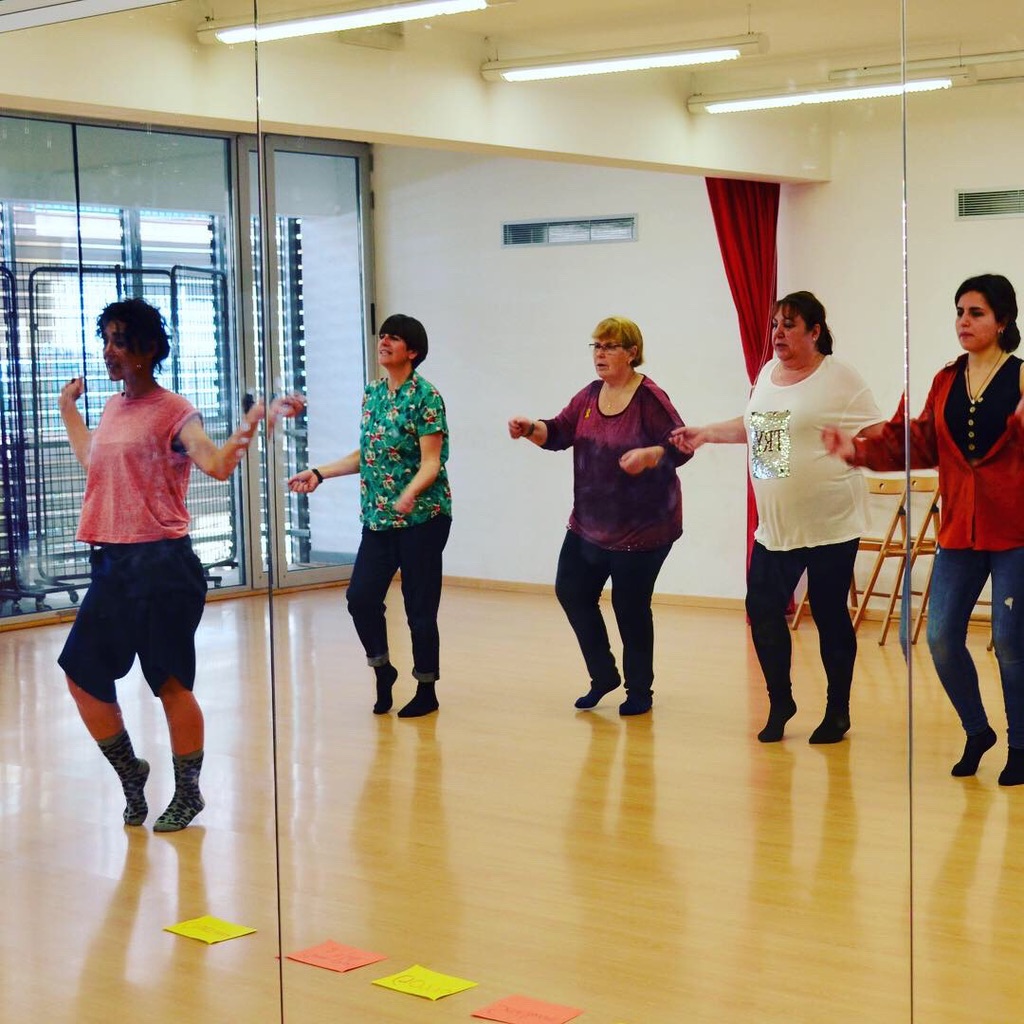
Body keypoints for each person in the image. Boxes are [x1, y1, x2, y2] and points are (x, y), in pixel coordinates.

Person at [57, 297, 303, 831]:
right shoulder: (113, 407)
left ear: (148, 349)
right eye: (106, 340)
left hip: (163, 565)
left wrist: (251, 422)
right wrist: (67, 408)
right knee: (81, 675)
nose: (109, 351)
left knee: (169, 681)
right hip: (113, 564)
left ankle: (189, 792)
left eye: (119, 340)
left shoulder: (175, 411)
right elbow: (92, 461)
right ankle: (131, 774)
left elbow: (217, 465)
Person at [824, 273, 1024, 784]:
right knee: (939, 638)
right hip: (959, 530)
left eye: (976, 313)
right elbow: (915, 442)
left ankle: (1021, 745)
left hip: (1014, 531)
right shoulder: (945, 380)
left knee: (1009, 642)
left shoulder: (1021, 378)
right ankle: (977, 730)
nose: (964, 321)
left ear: (1003, 320)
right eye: (959, 312)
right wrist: (857, 450)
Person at [671, 291, 883, 744]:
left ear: (814, 331)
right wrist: (706, 433)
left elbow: (876, 432)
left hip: (830, 523)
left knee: (828, 613)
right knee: (762, 609)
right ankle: (780, 701)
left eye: (789, 325)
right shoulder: (767, 373)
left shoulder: (839, 377)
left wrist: (872, 448)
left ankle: (838, 711)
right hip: (777, 526)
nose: (778, 334)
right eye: (774, 325)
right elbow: (757, 429)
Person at [508, 316, 690, 716]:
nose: (600, 354)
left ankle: (639, 691)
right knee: (571, 591)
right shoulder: (589, 396)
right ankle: (603, 675)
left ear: (632, 352)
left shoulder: (649, 398)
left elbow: (682, 445)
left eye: (609, 346)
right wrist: (530, 427)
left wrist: (652, 454)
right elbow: (558, 432)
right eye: (596, 346)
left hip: (644, 528)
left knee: (630, 607)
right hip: (589, 524)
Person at [288, 314, 451, 719]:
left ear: (412, 351)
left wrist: (410, 492)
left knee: (419, 608)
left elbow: (432, 462)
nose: (384, 342)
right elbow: (369, 452)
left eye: (394, 338)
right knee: (360, 598)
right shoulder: (373, 394)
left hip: (423, 519)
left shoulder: (426, 397)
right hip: (379, 518)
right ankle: (383, 669)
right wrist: (320, 472)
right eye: (383, 336)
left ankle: (426, 688)